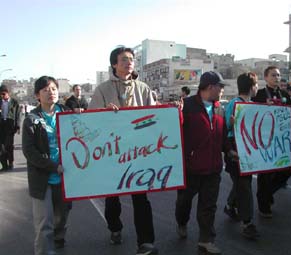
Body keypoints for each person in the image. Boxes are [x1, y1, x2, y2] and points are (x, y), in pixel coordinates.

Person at [89, 46, 158, 255]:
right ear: (114, 64)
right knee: (112, 197)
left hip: (138, 151)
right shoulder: (102, 89)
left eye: (131, 59)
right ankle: (115, 227)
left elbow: (155, 116)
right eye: (124, 59)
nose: (129, 62)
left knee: (141, 197)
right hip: (112, 152)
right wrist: (105, 113)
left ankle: (146, 242)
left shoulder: (144, 88)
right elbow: (92, 120)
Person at [175, 71, 231, 255]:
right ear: (209, 87)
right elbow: (176, 132)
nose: (222, 91)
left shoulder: (219, 108)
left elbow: (221, 134)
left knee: (208, 206)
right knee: (184, 202)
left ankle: (206, 240)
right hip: (190, 168)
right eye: (220, 87)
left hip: (214, 168)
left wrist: (228, 150)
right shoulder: (187, 106)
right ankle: (181, 222)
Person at [22, 76, 72, 255]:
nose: (50, 92)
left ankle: (59, 238)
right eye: (45, 90)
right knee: (45, 223)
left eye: (53, 89)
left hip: (67, 177)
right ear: (37, 95)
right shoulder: (31, 119)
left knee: (62, 217)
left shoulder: (69, 113)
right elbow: (29, 151)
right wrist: (52, 166)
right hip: (42, 178)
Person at [252, 66, 291, 218]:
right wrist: (265, 107)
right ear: (265, 77)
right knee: (265, 174)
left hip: (282, 139)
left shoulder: (284, 94)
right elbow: (252, 113)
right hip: (265, 140)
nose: (277, 78)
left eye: (278, 75)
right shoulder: (259, 94)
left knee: (287, 169)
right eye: (273, 75)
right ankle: (264, 205)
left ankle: (266, 194)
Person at [223, 72, 259, 239]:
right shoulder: (234, 104)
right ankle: (247, 222)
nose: (257, 88)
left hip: (248, 149)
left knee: (242, 182)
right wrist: (230, 124)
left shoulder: (252, 105)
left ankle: (230, 205)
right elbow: (226, 129)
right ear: (252, 87)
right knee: (244, 185)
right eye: (257, 84)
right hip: (236, 150)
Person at [0, 84, 20, 171]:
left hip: (10, 126)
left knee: (9, 146)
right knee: (1, 146)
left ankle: (10, 163)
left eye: (4, 94)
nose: (2, 96)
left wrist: (18, 126)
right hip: (1, 126)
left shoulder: (14, 102)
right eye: (1, 94)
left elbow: (17, 115)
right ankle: (4, 165)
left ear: (8, 93)